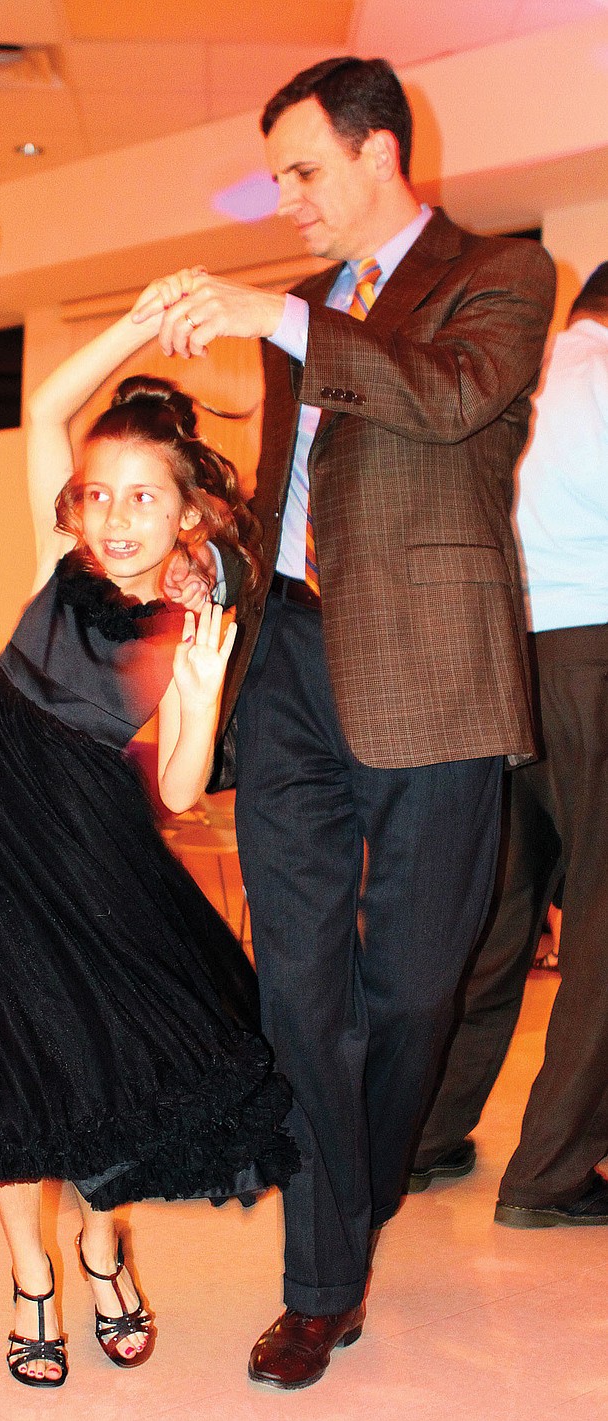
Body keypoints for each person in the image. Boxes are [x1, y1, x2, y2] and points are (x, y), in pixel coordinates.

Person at [134, 56, 555, 1389]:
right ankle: (319, 1284)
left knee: (413, 988)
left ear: (379, 152)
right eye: (277, 177)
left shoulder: (502, 274)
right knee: (298, 988)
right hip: (289, 667)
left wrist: (280, 315)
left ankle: (349, 1203)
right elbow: (287, 495)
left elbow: (449, 397)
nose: (287, 200)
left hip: (434, 674)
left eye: (304, 170)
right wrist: (217, 558)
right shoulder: (303, 311)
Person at [0, 282, 298, 1388]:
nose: (115, 515)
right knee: (2, 1059)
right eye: (100, 493)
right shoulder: (64, 563)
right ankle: (30, 1279)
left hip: (88, 841)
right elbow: (49, 406)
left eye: (144, 496)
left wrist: (200, 696)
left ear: (186, 512)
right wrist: (140, 323)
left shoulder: (192, 621)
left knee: (102, 1056)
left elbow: (180, 789)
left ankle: (102, 1246)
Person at [409, 263, 608, 1227]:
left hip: (503, 657)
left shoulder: (520, 380)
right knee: (603, 919)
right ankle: (552, 1173)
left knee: (497, 918)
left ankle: (420, 1133)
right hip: (594, 656)